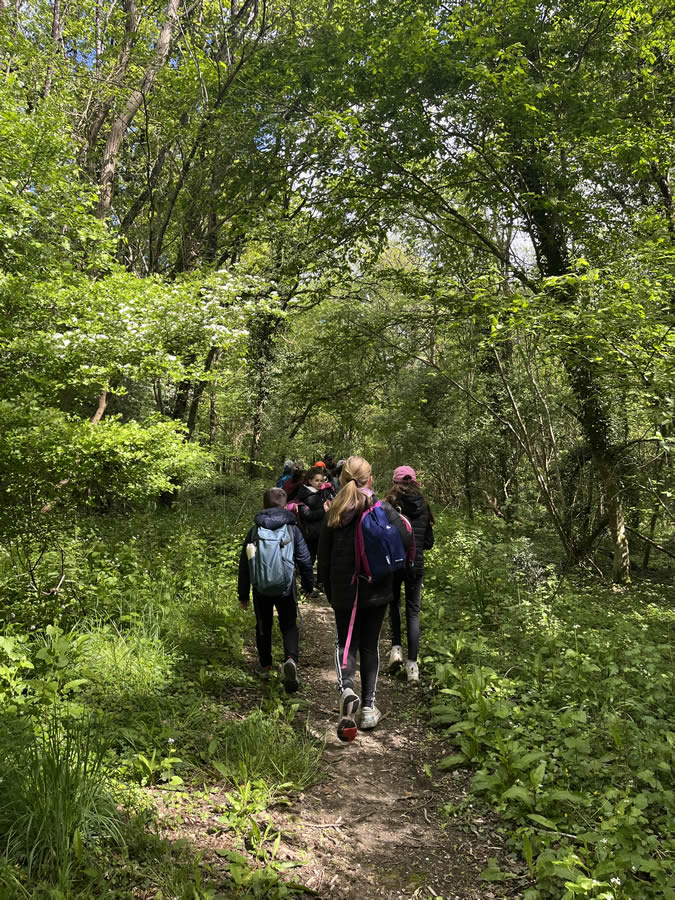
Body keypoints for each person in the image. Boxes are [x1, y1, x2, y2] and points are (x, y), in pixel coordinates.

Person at [318, 455, 412, 741]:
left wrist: (329, 591)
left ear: (342, 479)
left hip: (345, 591)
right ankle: (369, 708)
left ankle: (347, 689)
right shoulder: (383, 509)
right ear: (370, 479)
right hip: (378, 590)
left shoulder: (334, 512)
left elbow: (323, 557)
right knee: (370, 646)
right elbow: (406, 542)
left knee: (346, 643)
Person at [238, 487, 314, 692]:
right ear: (285, 506)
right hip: (285, 587)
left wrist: (243, 594)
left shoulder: (254, 530)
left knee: (263, 624)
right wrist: (308, 585)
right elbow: (305, 559)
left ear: (262, 506)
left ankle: (265, 665)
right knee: (289, 624)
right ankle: (291, 659)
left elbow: (244, 564)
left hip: (260, 586)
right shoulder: (292, 528)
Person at [385, 466, 435, 683]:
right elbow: (429, 542)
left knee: (394, 604)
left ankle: (396, 649)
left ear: (395, 482)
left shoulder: (388, 505)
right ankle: (412, 666)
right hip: (417, 565)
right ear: (415, 482)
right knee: (413, 613)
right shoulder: (423, 506)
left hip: (394, 564)